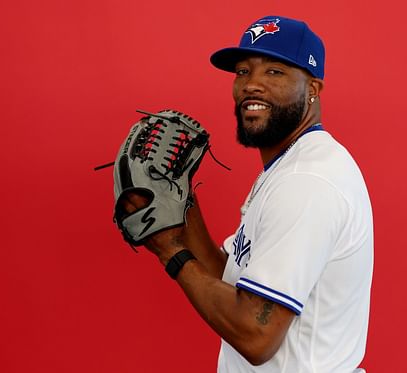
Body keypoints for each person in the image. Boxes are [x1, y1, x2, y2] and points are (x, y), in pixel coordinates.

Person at [121, 15, 373, 373]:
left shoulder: (307, 182)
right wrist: (181, 201)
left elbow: (257, 335)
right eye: (243, 71)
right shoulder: (290, 165)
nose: (252, 84)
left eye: (274, 71)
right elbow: (232, 280)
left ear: (313, 89)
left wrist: (169, 251)